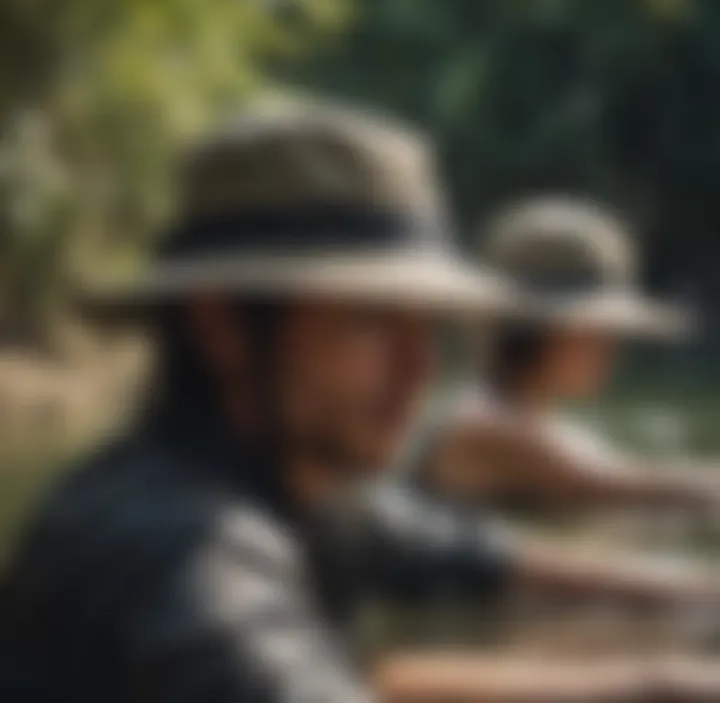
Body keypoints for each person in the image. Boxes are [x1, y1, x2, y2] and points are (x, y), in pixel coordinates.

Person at [0, 104, 717, 703]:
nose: (418, 367)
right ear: (222, 328)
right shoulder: (175, 548)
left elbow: (434, 609)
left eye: (427, 325)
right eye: (372, 319)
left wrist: (658, 676)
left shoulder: (315, 493)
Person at [418, 196, 720, 513]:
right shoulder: (485, 426)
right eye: (595, 329)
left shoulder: (523, 420)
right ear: (534, 331)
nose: (612, 346)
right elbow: (650, 487)